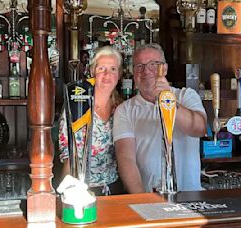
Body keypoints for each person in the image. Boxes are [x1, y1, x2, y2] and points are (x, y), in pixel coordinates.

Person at [113, 43, 207, 193]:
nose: (146, 71)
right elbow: (126, 159)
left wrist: (168, 99)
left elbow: (199, 129)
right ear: (133, 72)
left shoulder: (186, 96)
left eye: (153, 64)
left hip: (190, 196)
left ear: (165, 68)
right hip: (148, 197)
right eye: (139, 66)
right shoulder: (125, 110)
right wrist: (141, 200)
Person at [58, 46, 124, 196]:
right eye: (101, 68)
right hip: (80, 188)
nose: (107, 74)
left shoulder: (121, 108)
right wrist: (69, 193)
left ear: (119, 74)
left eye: (113, 69)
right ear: (93, 71)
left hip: (114, 188)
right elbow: (68, 154)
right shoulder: (78, 104)